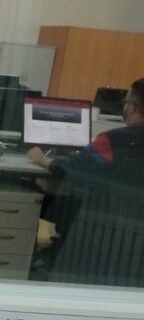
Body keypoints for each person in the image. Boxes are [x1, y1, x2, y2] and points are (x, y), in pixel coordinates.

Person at [26, 78, 144, 265]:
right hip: (134, 225)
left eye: (126, 102)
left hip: (103, 218)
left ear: (132, 107)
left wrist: (42, 159)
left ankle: (41, 258)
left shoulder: (114, 139)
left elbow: (73, 168)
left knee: (40, 200)